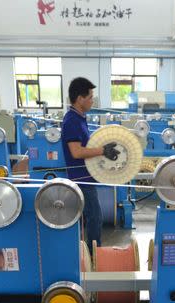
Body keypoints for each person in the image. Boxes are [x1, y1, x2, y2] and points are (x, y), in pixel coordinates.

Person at [61, 77, 119, 250]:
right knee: (95, 217)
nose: (93, 101)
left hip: (87, 177)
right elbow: (76, 152)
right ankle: (93, 254)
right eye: (90, 97)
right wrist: (103, 151)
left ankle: (89, 250)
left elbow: (87, 145)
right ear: (80, 98)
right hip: (81, 179)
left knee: (93, 217)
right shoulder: (72, 120)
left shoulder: (80, 118)